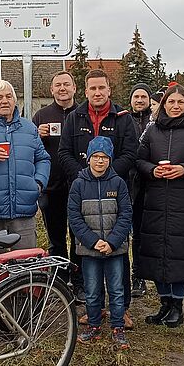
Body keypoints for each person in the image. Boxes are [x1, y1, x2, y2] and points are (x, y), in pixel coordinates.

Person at [59, 68, 138, 322]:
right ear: (86, 91)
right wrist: (86, 175)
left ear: (109, 90)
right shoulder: (74, 117)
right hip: (84, 194)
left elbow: (131, 153)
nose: (97, 92)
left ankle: (121, 307)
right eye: (92, 88)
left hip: (115, 192)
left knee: (118, 249)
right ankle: (90, 305)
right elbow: (64, 153)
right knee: (82, 244)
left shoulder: (123, 119)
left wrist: (107, 173)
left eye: (101, 88)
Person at [135, 85, 184, 327]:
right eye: (171, 102)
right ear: (164, 104)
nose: (175, 106)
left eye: (180, 102)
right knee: (156, 251)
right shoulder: (152, 131)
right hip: (155, 199)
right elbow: (139, 160)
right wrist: (152, 170)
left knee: (180, 252)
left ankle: (177, 304)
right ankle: (164, 302)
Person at [0, 79, 50, 249]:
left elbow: (43, 158)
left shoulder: (29, 128)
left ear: (14, 101)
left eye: (9, 97)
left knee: (25, 268)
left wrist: (38, 184)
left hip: (24, 210)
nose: (5, 101)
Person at [69, 136, 133, 350]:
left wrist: (112, 242)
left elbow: (126, 215)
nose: (100, 161)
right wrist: (93, 241)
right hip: (89, 250)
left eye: (104, 157)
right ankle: (94, 325)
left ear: (110, 159)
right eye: (96, 156)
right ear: (88, 158)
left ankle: (118, 327)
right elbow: (74, 218)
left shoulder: (118, 183)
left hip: (115, 250)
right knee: (92, 290)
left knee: (116, 289)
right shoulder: (78, 185)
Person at [33, 71, 81, 295]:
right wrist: (37, 134)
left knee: (79, 235)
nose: (62, 88)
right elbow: (30, 148)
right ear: (51, 90)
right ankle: (60, 282)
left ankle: (80, 282)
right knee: (56, 237)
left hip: (80, 185)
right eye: (58, 85)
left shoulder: (83, 114)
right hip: (51, 187)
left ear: (74, 88)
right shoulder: (42, 115)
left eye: (66, 84)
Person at [128, 82, 153, 298]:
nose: (139, 100)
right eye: (136, 97)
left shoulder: (155, 121)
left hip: (148, 183)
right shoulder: (124, 119)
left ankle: (139, 275)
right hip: (127, 182)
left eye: (143, 97)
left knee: (141, 232)